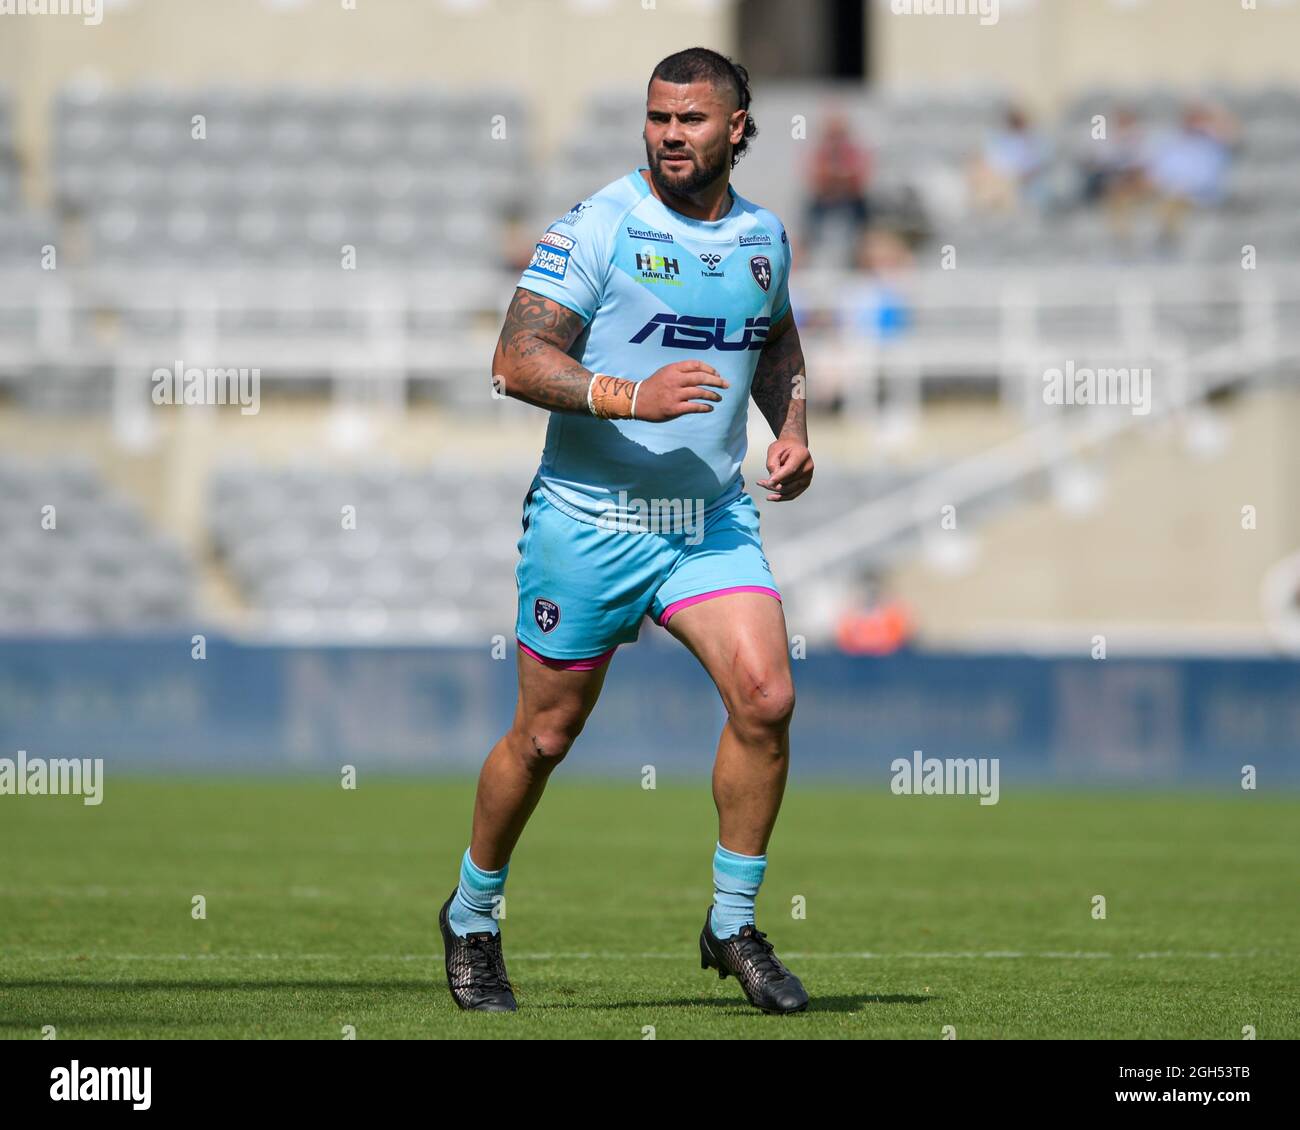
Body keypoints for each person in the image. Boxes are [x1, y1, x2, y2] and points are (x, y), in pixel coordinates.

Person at [438, 46, 816, 1016]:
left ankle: (731, 921)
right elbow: (514, 358)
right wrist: (626, 396)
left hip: (708, 521)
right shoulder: (601, 223)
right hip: (587, 521)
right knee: (544, 734)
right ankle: (472, 912)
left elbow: (771, 337)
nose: (669, 134)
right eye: (657, 117)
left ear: (736, 127)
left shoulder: (764, 236)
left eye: (690, 119)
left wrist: (795, 429)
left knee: (766, 696)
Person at [803, 110, 872, 252]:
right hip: (826, 199)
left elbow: (859, 177)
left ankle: (862, 246)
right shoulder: (821, 152)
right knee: (810, 209)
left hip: (850, 198)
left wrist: (836, 177)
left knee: (862, 209)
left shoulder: (852, 150)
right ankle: (809, 245)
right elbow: (816, 178)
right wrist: (839, 177)